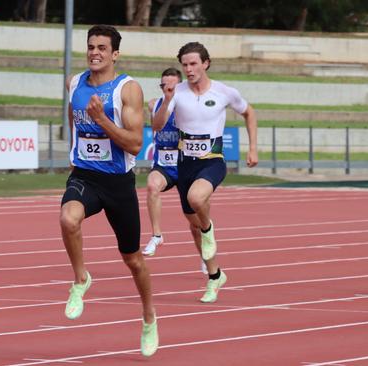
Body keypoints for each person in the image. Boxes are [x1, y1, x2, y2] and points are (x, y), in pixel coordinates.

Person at [60, 25, 158, 357]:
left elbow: (134, 143)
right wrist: (75, 156)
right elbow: (74, 124)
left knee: (132, 260)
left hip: (118, 183)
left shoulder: (127, 90)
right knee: (68, 219)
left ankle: (148, 316)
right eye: (90, 47)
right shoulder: (75, 83)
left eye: (102, 48)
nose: (94, 52)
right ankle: (81, 279)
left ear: (115, 54)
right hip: (86, 176)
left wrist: (102, 120)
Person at [153, 42, 258, 303]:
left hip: (212, 160)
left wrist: (253, 148)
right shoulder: (176, 92)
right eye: (185, 65)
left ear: (205, 63)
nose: (188, 69)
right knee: (193, 223)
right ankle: (215, 277)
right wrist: (166, 100)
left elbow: (249, 112)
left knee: (197, 200)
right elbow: (155, 126)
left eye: (193, 64)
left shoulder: (224, 92)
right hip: (185, 162)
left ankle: (209, 231)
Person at [142, 68, 182, 256]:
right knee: (152, 186)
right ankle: (156, 235)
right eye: (163, 85)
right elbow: (156, 125)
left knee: (195, 217)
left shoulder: (187, 105)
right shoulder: (154, 104)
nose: (167, 89)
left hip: (184, 163)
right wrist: (167, 101)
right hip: (163, 163)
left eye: (171, 87)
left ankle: (206, 255)